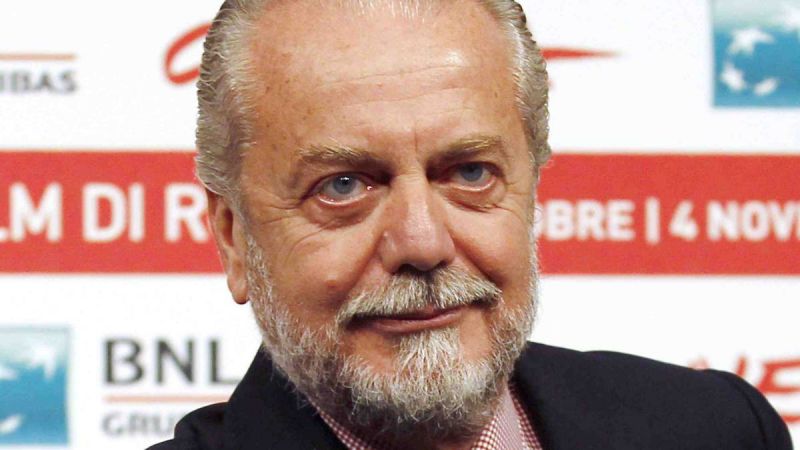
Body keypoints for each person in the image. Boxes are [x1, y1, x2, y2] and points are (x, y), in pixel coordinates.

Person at [151, 0, 792, 449]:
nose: (423, 243)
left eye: (470, 173)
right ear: (233, 238)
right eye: (343, 186)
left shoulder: (717, 430)